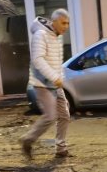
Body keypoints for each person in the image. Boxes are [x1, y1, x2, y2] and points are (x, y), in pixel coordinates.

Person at [20, 9, 71, 159]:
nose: (66, 26)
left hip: (55, 83)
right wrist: (55, 77)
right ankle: (27, 140)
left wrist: (59, 77)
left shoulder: (57, 37)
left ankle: (60, 149)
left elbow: (57, 62)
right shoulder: (40, 35)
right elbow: (38, 60)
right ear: (54, 22)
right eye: (63, 23)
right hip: (42, 83)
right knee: (50, 116)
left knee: (64, 115)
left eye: (68, 23)